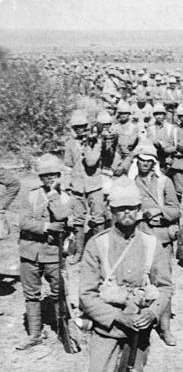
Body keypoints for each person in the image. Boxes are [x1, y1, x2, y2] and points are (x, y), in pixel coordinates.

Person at [67, 177, 172, 372]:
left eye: (132, 208)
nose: (126, 214)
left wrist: (152, 314)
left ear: (140, 210)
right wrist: (117, 318)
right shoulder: (96, 244)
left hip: (139, 334)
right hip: (108, 332)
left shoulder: (152, 244)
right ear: (111, 211)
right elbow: (86, 295)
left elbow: (165, 286)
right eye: (120, 209)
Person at [17, 153, 73, 350]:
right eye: (46, 176)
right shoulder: (31, 195)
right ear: (40, 178)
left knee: (59, 293)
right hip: (29, 250)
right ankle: (34, 334)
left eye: (54, 175)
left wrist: (54, 195)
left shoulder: (65, 196)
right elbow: (23, 222)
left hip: (52, 253)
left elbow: (61, 215)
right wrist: (47, 226)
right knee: (31, 295)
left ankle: (63, 329)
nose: (50, 179)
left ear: (60, 175)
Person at [132, 144, 180, 346]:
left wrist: (159, 212)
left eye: (148, 160)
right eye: (141, 160)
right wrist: (141, 214)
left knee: (162, 282)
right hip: (138, 236)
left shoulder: (164, 182)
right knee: (137, 281)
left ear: (154, 163)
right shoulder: (130, 183)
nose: (144, 163)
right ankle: (140, 320)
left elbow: (176, 210)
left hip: (160, 238)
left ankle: (165, 327)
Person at [64, 110, 106, 263]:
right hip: (77, 186)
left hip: (94, 185)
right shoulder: (70, 144)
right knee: (78, 221)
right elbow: (68, 165)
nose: (80, 129)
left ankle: (99, 253)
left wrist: (91, 143)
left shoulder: (96, 141)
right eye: (77, 127)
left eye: (82, 126)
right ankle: (79, 253)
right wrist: (66, 185)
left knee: (98, 219)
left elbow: (92, 161)